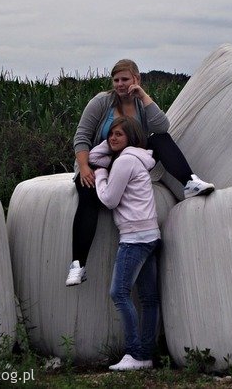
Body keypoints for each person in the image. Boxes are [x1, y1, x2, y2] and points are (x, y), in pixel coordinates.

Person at [66, 59, 214, 286]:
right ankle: (78, 264)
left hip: (132, 161)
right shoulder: (101, 102)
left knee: (161, 139)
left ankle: (189, 182)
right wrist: (85, 167)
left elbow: (162, 126)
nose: (120, 84)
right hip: (101, 161)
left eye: (125, 79)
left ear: (136, 79)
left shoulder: (141, 104)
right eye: (116, 80)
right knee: (87, 196)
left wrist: (143, 97)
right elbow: (82, 136)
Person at [89, 116, 160, 370]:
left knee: (118, 293)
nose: (112, 138)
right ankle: (147, 355)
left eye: (119, 134)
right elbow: (96, 155)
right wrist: (109, 146)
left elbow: (109, 199)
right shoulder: (138, 158)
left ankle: (135, 354)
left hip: (134, 238)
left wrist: (99, 176)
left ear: (131, 135)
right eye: (110, 134)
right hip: (150, 233)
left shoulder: (125, 161)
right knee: (149, 298)